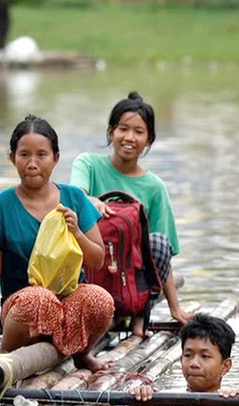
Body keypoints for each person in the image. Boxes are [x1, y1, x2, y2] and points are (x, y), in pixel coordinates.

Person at [0, 115, 115, 373]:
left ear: (56, 159)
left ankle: (81, 354)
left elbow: (97, 259)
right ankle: (8, 352)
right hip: (24, 311)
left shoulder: (74, 198)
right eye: (24, 155)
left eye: (42, 155)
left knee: (100, 299)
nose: (32, 163)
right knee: (40, 299)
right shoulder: (0, 207)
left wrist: (77, 234)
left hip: (68, 306)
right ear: (12, 158)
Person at [70, 91, 192, 337]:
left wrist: (174, 307)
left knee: (157, 243)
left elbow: (162, 256)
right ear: (110, 132)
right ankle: (95, 314)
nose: (129, 137)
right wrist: (91, 201)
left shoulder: (154, 187)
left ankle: (138, 317)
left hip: (131, 282)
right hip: (90, 271)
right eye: (123, 129)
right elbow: (75, 197)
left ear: (149, 140)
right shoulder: (88, 165)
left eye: (139, 132)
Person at [130, 314, 239, 401]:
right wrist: (142, 398)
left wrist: (237, 402)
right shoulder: (163, 399)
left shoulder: (234, 400)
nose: (194, 364)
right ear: (181, 360)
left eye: (205, 356)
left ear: (225, 366)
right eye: (188, 355)